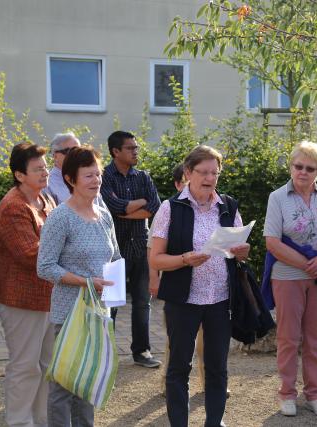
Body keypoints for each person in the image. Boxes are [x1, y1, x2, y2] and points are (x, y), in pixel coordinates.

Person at [149, 145, 250, 427]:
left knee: (217, 368)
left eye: (214, 173)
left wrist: (242, 251)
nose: (209, 178)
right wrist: (184, 259)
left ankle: (214, 423)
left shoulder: (228, 206)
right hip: (184, 300)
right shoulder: (171, 208)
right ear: (188, 172)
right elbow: (156, 258)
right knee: (179, 367)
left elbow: (236, 250)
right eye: (203, 172)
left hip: (220, 299)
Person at [37, 145, 121, 426]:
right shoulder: (61, 217)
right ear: (71, 180)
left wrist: (115, 291)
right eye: (88, 176)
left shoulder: (104, 214)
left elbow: (116, 258)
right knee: (63, 384)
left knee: (88, 380)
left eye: (98, 174)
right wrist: (86, 282)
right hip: (69, 313)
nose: (96, 180)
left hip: (99, 312)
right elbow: (45, 267)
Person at [263, 141, 317, 418]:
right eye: (299, 166)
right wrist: (308, 264)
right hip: (287, 276)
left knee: (315, 337)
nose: (303, 172)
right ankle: (286, 393)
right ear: (291, 166)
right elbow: (271, 241)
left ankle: (314, 394)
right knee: (288, 337)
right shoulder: (278, 197)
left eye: (310, 168)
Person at [0, 143, 56, 427]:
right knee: (25, 366)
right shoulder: (13, 206)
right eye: (37, 168)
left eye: (45, 166)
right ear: (19, 175)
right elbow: (30, 254)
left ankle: (41, 421)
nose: (45, 172)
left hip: (47, 296)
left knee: (45, 366)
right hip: (20, 299)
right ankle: (18, 422)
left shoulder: (46, 200)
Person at [101, 130, 162, 368]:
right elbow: (110, 206)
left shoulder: (143, 177)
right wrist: (134, 206)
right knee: (111, 304)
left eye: (136, 147)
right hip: (114, 250)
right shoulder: (105, 176)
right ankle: (106, 353)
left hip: (140, 247)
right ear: (116, 151)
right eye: (130, 148)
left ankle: (142, 351)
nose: (136, 152)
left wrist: (125, 209)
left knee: (142, 303)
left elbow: (154, 206)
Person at [147, 163, 207, 395]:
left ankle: (206, 381)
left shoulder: (211, 207)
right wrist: (154, 278)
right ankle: (167, 382)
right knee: (177, 341)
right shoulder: (168, 209)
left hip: (207, 290)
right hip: (177, 288)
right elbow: (151, 249)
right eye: (185, 181)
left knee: (207, 341)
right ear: (178, 183)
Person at [45, 132, 80, 205]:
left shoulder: (90, 178)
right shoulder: (47, 183)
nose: (75, 155)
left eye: (78, 151)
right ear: (55, 156)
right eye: (69, 151)